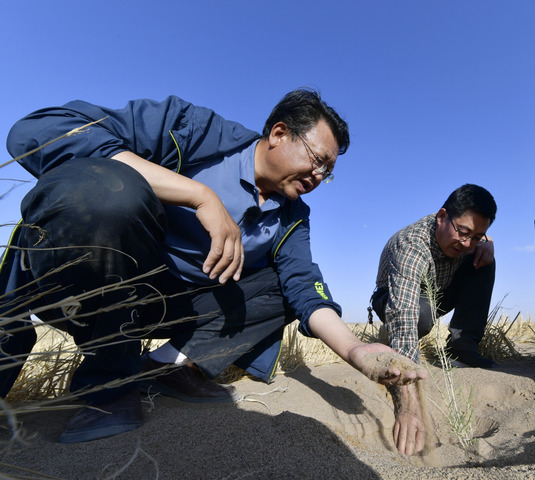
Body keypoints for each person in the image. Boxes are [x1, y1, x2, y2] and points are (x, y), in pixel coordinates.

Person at [0, 89, 425, 451]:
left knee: (279, 289)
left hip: (166, 305)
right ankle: (109, 386)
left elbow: (303, 286)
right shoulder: (191, 129)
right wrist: (198, 195)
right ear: (278, 134)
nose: (318, 174)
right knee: (110, 190)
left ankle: (164, 368)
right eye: (316, 159)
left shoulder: (293, 216)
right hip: (89, 277)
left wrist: (356, 351)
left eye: (327, 172)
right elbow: (38, 131)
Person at [370, 184, 497, 449]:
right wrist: (409, 399)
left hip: (438, 292)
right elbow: (403, 313)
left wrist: (486, 244)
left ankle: (463, 347)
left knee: (485, 259)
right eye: (463, 232)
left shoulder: (469, 241)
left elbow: (475, 239)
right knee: (419, 316)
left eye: (476, 236)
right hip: (395, 299)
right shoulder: (412, 246)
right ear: (441, 217)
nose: (466, 243)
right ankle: (389, 340)